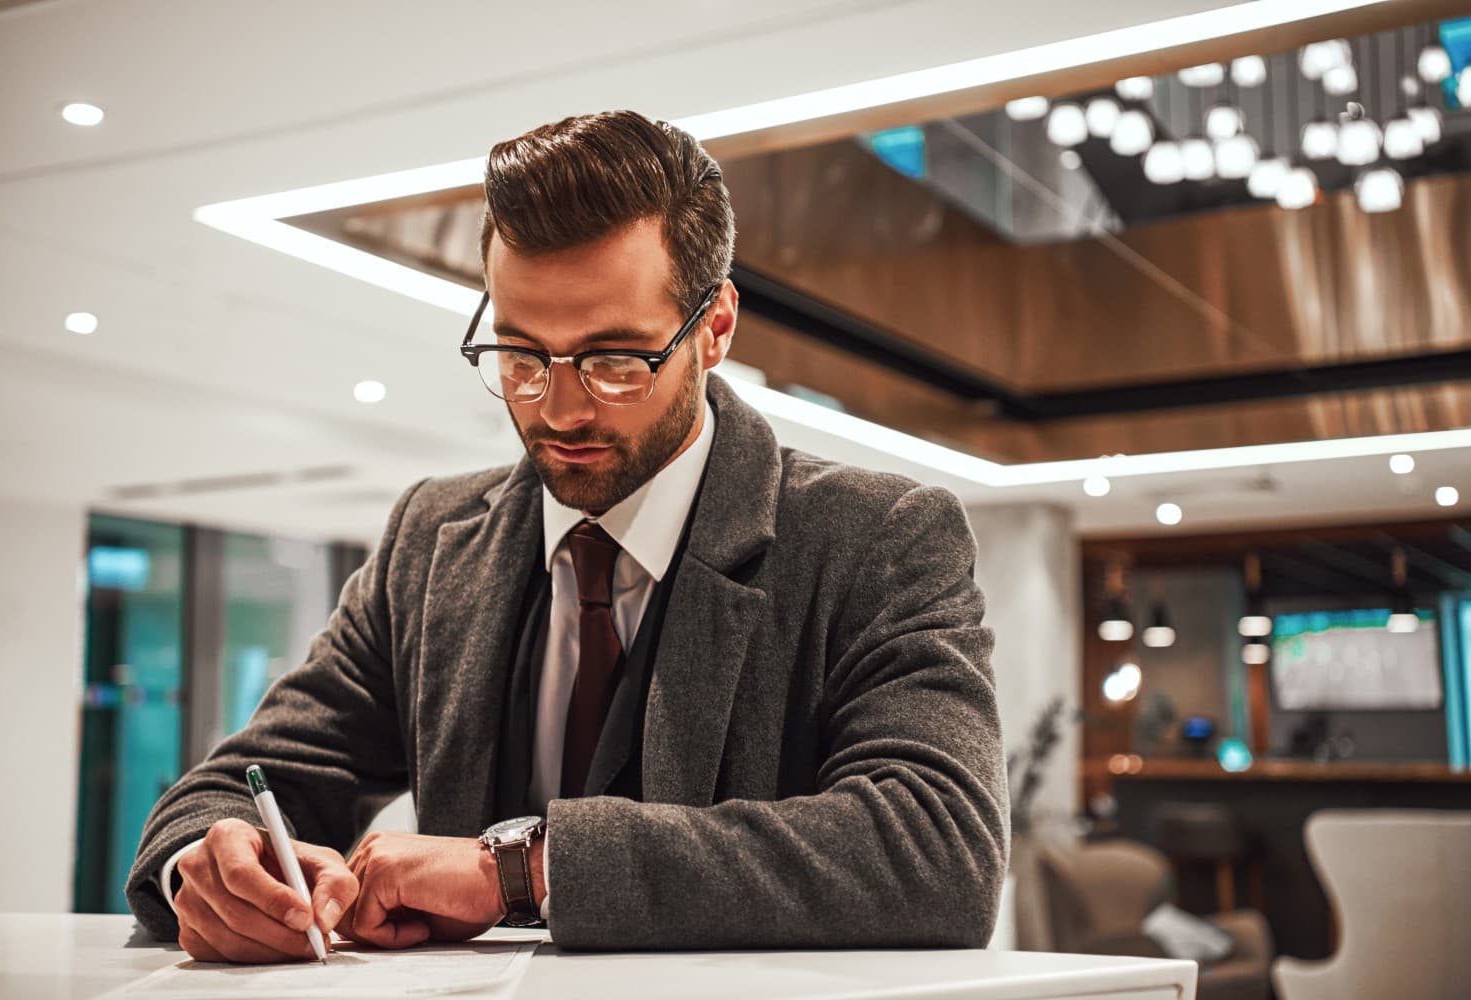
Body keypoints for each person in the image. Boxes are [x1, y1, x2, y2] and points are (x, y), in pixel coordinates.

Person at [126, 109, 1009, 962]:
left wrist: (520, 868)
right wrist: (208, 863)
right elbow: (237, 786)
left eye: (616, 360)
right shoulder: (430, 540)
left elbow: (939, 850)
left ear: (716, 329)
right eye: (520, 356)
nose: (561, 407)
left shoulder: (876, 538)